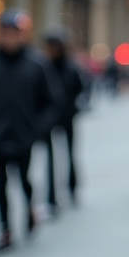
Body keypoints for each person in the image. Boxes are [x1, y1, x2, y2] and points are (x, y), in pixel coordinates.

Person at [0, 9, 58, 252]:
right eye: (6, 33)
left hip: (24, 136)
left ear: (22, 35)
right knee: (0, 183)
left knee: (24, 179)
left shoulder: (36, 65)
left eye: (14, 33)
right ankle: (5, 230)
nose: (10, 38)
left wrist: (38, 130)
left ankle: (30, 209)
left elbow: (50, 101)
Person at [42, 27, 87, 212]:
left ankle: (72, 187)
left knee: (70, 153)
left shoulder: (70, 67)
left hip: (67, 116)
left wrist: (72, 105)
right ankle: (51, 197)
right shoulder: (43, 67)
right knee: (50, 158)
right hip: (49, 117)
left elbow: (80, 88)